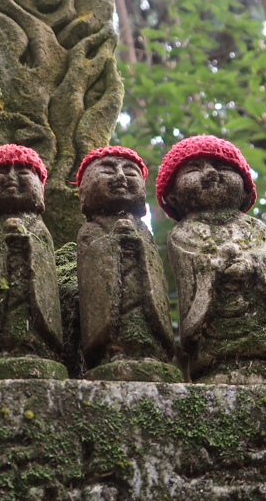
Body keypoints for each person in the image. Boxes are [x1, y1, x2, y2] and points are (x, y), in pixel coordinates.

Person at [157, 135, 266, 384]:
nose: (210, 174)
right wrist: (216, 267)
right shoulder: (183, 233)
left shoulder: (254, 227)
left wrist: (249, 264)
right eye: (194, 170)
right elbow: (192, 268)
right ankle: (216, 367)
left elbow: (263, 257)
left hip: (259, 312)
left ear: (245, 190)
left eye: (223, 167)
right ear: (173, 197)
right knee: (218, 351)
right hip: (218, 322)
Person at [75, 146, 179, 381]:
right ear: (84, 190)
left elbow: (152, 266)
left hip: (142, 298)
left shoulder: (143, 230)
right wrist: (113, 245)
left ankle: (152, 350)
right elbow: (92, 265)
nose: (120, 176)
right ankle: (111, 352)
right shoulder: (90, 230)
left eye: (130, 172)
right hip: (112, 309)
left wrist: (137, 247)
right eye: (108, 171)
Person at [0, 144, 66, 379]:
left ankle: (41, 346)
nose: (12, 177)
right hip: (1, 311)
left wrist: (26, 245)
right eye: (1, 172)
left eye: (23, 172)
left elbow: (44, 267)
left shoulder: (40, 228)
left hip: (34, 307)